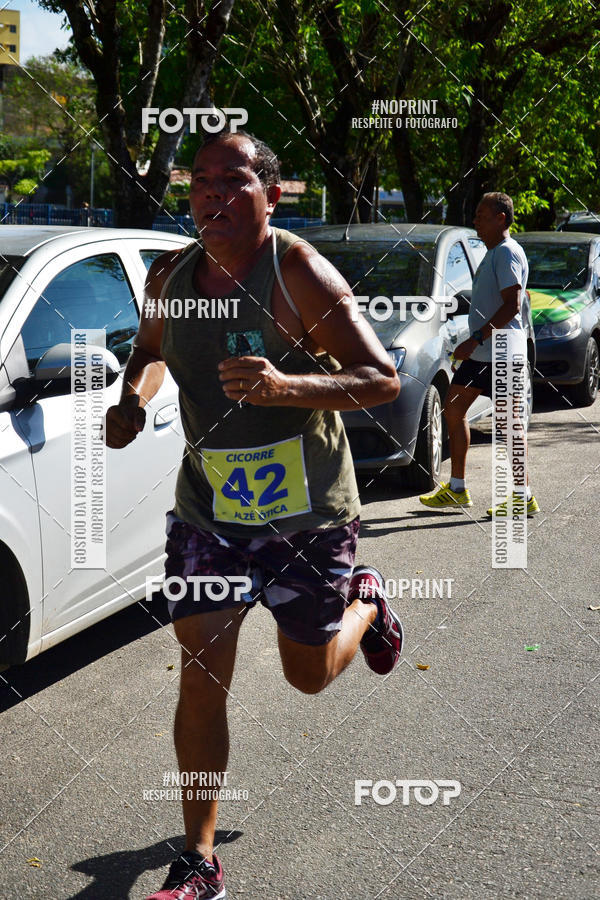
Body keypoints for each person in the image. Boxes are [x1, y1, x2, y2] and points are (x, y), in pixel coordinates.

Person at [105, 130, 403, 900]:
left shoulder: (296, 270)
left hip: (308, 516)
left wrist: (284, 387)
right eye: (201, 180)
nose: (213, 195)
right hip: (209, 513)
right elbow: (148, 354)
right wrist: (130, 404)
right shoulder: (171, 276)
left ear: (273, 193)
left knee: (307, 678)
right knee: (201, 672)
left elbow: (382, 379)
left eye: (234, 181)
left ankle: (365, 606)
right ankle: (199, 860)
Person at [419, 191, 539, 516]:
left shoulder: (506, 253)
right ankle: (457, 489)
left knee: (509, 426)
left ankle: (522, 496)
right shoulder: (494, 252)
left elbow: (512, 306)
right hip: (484, 355)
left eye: (481, 216)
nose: (475, 222)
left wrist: (473, 339)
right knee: (454, 411)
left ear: (501, 218)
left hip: (501, 352)